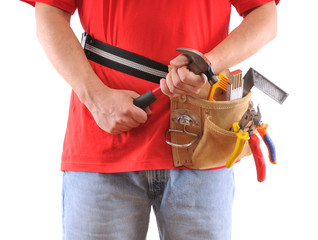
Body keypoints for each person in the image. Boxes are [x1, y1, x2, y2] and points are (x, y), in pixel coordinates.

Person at [21, 0, 279, 239]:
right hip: (102, 147)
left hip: (203, 146)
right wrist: (96, 99)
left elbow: (264, 15)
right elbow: (49, 11)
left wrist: (209, 64)